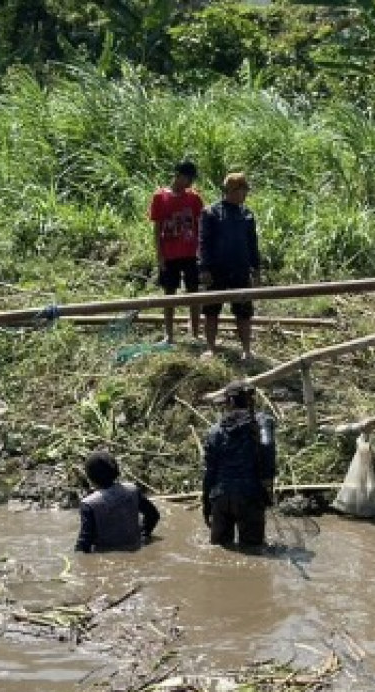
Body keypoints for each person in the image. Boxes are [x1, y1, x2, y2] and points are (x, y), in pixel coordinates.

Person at [202, 380, 277, 548]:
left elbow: (209, 472)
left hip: (220, 496)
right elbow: (267, 449)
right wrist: (267, 484)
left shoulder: (215, 431)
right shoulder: (263, 422)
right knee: (253, 549)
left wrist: (206, 503)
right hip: (250, 495)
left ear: (229, 402)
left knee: (220, 549)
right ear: (251, 400)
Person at [199, 172, 261, 361]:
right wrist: (204, 268)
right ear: (232, 191)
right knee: (211, 310)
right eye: (243, 190)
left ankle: (247, 350)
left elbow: (252, 243)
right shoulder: (211, 212)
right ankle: (210, 347)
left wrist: (256, 268)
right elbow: (204, 242)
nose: (245, 194)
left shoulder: (247, 214)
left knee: (244, 311)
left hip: (240, 269)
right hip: (217, 269)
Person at [149, 160, 205, 346]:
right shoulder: (160, 197)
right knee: (169, 294)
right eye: (188, 178)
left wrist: (201, 252)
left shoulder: (194, 198)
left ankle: (195, 333)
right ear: (178, 176)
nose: (190, 183)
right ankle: (169, 334)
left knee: (193, 293)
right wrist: (160, 255)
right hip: (170, 253)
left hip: (190, 253)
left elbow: (201, 225)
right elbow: (157, 229)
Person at [74, 450, 160, 553]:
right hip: (135, 545)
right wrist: (144, 535)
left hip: (107, 554)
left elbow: (84, 544)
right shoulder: (132, 490)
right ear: (116, 471)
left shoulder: (88, 504)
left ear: (90, 477)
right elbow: (153, 515)